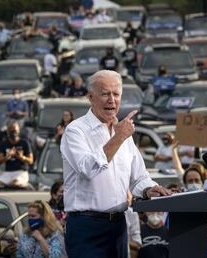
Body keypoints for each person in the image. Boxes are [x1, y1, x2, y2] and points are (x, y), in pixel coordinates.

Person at [61, 70, 171, 258]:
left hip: (119, 226)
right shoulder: (76, 131)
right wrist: (118, 137)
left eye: (116, 94)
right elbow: (87, 169)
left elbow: (139, 178)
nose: (111, 100)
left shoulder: (123, 133)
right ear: (90, 97)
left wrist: (149, 189)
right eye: (105, 94)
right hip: (86, 227)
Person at [0, 120, 33, 187]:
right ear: (7, 132)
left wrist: (21, 157)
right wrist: (8, 156)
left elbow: (31, 161)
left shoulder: (24, 143)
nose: (13, 133)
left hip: (21, 171)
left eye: (15, 130)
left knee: (15, 183)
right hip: (8, 172)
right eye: (11, 131)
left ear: (18, 130)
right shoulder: (3, 144)